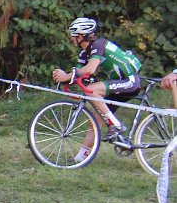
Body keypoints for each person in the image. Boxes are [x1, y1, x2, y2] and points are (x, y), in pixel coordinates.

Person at [51, 17, 142, 163]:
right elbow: (78, 74)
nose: (72, 39)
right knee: (95, 120)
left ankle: (116, 125)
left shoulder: (98, 44)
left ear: (82, 36)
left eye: (74, 36)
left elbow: (91, 68)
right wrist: (64, 77)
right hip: (120, 84)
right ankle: (80, 157)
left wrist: (67, 75)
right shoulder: (84, 53)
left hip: (130, 81)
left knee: (91, 90)